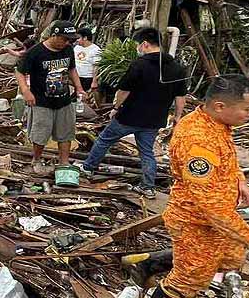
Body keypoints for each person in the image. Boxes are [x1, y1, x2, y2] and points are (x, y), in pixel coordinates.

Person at [149, 74, 249, 298]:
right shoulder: (198, 142)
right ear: (219, 105)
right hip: (195, 218)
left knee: (222, 258)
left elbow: (228, 157)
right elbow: (210, 206)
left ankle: (146, 264)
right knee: (193, 274)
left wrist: (239, 179)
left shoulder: (215, 122)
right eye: (248, 109)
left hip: (209, 219)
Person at [80, 26, 187, 198]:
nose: (137, 48)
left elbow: (124, 91)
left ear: (145, 44)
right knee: (146, 151)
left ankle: (88, 168)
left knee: (104, 140)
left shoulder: (139, 65)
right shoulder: (176, 67)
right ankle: (148, 187)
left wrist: (115, 108)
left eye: (138, 45)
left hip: (129, 116)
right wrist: (178, 116)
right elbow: (181, 95)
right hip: (154, 120)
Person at [17, 19, 86, 177]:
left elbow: (72, 69)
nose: (66, 42)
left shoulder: (68, 50)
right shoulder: (35, 52)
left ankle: (64, 162)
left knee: (66, 132)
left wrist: (79, 87)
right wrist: (26, 91)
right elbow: (20, 71)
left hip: (64, 100)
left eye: (69, 40)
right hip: (41, 101)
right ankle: (36, 159)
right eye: (64, 39)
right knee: (40, 133)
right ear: (54, 35)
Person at [73, 27, 102, 92]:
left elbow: (96, 66)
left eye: (78, 38)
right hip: (76, 77)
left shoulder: (95, 50)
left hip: (87, 78)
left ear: (85, 38)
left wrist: (94, 82)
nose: (77, 40)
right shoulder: (76, 48)